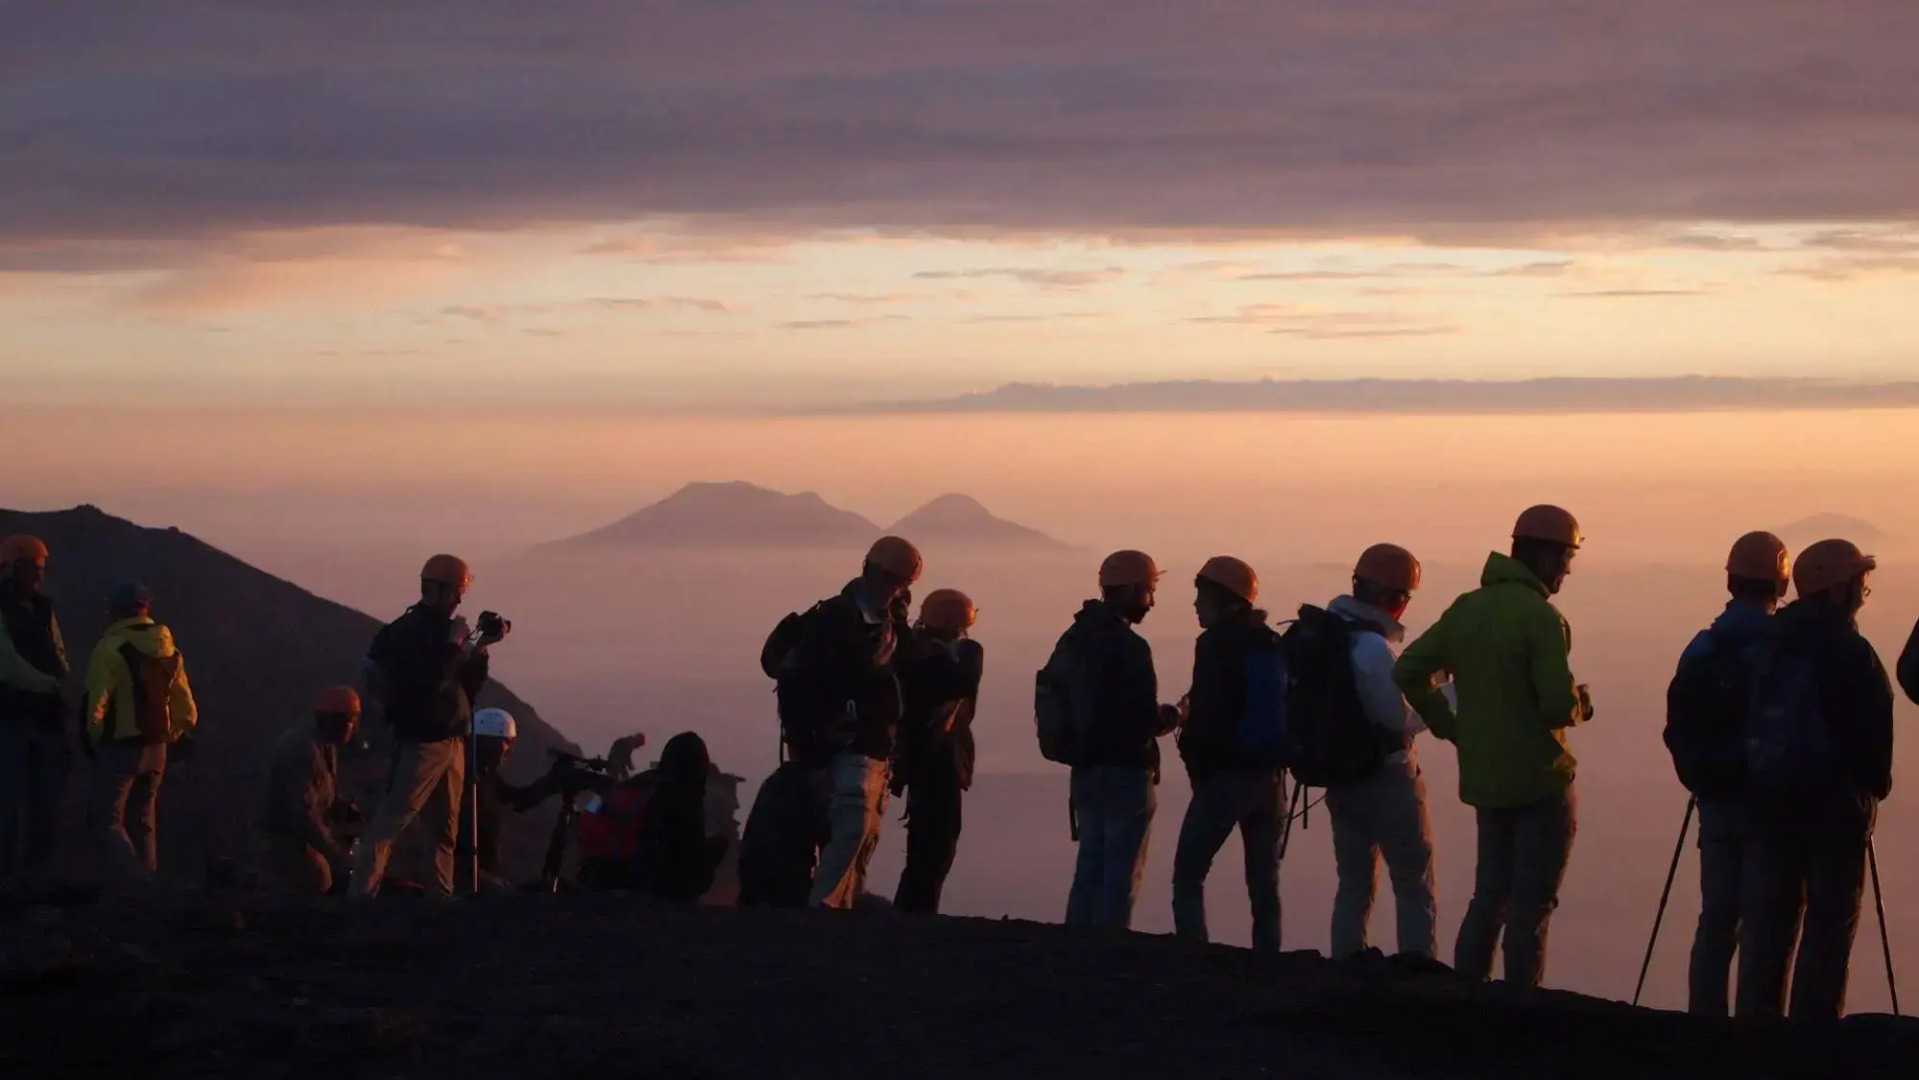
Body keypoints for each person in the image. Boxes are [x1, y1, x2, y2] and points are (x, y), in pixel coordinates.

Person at [1394, 506, 1592, 986]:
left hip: (1487, 777)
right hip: (1542, 779)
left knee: (1490, 897)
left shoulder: (1469, 608)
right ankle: (1519, 1006)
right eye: (1566, 558)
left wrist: (1452, 726)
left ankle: (1469, 996)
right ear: (1545, 557)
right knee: (1531, 906)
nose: (1567, 569)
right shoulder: (1541, 618)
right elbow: (1553, 707)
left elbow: (1407, 671)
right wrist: (1579, 706)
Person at [1735, 539, 1893, 1022]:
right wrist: (1872, 790)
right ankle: (1813, 1040)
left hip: (1770, 805)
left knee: (1769, 926)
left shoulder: (1770, 643)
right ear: (1838, 588)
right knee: (1827, 930)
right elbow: (1873, 740)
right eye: (1859, 582)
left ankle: (1754, 1031)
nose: (1865, 591)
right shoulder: (1851, 652)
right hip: (1836, 814)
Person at [740, 537, 919, 909]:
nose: (894, 588)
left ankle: (833, 913)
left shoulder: (882, 627)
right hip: (841, 747)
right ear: (869, 571)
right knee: (851, 832)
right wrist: (816, 744)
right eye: (891, 579)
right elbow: (807, 686)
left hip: (865, 747)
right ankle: (824, 912)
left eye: (900, 582)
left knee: (859, 839)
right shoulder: (835, 623)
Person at [1663, 531, 1789, 1017]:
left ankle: (1704, 1021)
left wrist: (1699, 776)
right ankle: (1755, 1029)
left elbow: (1678, 725)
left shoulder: (1703, 647)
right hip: (1767, 804)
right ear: (1778, 585)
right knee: (1762, 921)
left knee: (1717, 918)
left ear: (1732, 580)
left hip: (1714, 797)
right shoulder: (1780, 651)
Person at [351, 554, 504, 899]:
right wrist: (453, 646)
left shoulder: (433, 631)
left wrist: (479, 650)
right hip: (423, 741)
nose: (459, 598)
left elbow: (465, 687)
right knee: (392, 824)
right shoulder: (412, 633)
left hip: (451, 741)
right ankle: (361, 897)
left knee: (443, 831)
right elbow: (426, 685)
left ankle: (440, 896)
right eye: (455, 590)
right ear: (434, 589)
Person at [1324, 543, 1438, 960]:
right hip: (1387, 776)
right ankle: (1416, 967)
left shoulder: (1328, 636)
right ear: (1396, 600)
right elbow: (1401, 718)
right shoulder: (1372, 648)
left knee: (1353, 880)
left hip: (1340, 775)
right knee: (1413, 879)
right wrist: (1448, 695)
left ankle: (1346, 959)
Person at [1059, 550, 1182, 931]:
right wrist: (1175, 716)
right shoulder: (1130, 647)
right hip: (1126, 771)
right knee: (1121, 871)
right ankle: (1109, 948)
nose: (1152, 601)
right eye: (1147, 591)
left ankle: (1077, 942)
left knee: (1090, 864)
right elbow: (1143, 718)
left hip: (1086, 768)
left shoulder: (1075, 638)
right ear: (1129, 589)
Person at [1171, 556, 1283, 951]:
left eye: (1201, 596)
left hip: (1226, 779)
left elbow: (1211, 717)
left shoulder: (1216, 643)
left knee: (1188, 873)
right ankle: (1268, 959)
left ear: (1221, 598)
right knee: (1264, 881)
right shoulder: (1270, 641)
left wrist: (1194, 758)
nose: (1196, 605)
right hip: (1270, 777)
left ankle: (1193, 952)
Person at [83, 581, 198, 880]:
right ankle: (148, 889)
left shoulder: (111, 647)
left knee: (105, 820)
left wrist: (96, 741)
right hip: (157, 748)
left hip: (122, 747)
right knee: (144, 819)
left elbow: (97, 703)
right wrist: (168, 737)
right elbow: (187, 712)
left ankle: (136, 883)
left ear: (116, 612)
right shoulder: (170, 651)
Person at [893, 588, 985, 914]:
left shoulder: (913, 653)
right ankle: (916, 914)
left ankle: (914, 911)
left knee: (926, 848)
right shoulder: (940, 661)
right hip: (936, 763)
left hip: (923, 761)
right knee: (934, 848)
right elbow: (962, 683)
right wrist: (969, 653)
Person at [0, 535, 71, 894]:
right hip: (9, 717)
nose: (39, 577)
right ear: (13, 569)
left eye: (42, 570)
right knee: (7, 802)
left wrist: (62, 684)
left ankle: (34, 877)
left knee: (45, 803)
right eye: (34, 569)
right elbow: (7, 666)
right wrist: (55, 687)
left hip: (44, 720)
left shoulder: (44, 608)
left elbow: (57, 651)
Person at [259, 686, 362, 895]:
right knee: (321, 877)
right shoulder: (303, 750)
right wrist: (338, 857)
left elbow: (322, 793)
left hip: (299, 837)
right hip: (284, 842)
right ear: (340, 723)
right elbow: (304, 818)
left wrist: (342, 806)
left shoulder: (324, 745)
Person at [632, 731, 731, 904]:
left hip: (604, 872)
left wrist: (592, 797)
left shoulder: (638, 784)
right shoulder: (681, 798)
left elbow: (597, 809)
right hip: (654, 886)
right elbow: (691, 851)